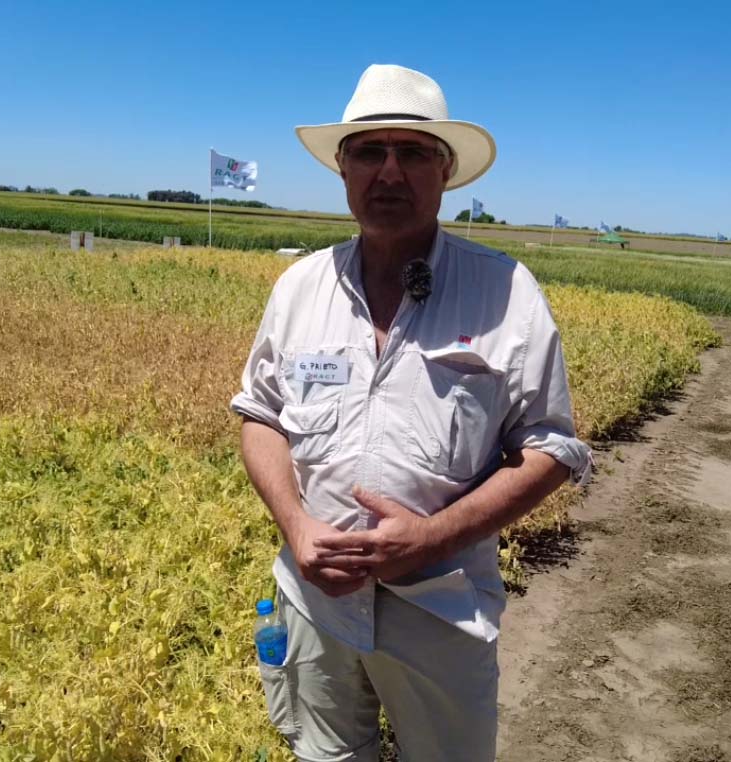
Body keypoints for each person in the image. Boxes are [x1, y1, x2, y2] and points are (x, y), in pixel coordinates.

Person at [231, 64, 592, 761]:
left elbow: (550, 447)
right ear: (342, 168)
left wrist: (433, 537)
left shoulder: (506, 292)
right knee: (323, 754)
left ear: (445, 171)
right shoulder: (299, 287)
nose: (388, 172)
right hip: (313, 602)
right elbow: (262, 416)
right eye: (369, 151)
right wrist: (296, 525)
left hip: (440, 606)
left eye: (412, 152)